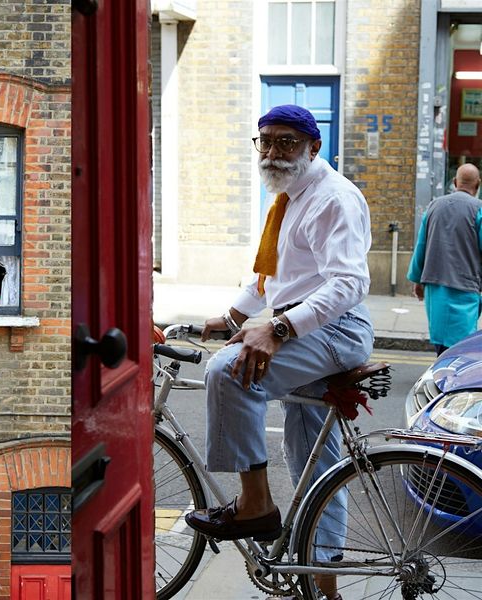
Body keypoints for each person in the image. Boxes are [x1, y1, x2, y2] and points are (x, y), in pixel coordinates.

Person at [183, 105, 373, 600]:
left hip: (335, 330)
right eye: (265, 141)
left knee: (231, 370)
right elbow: (273, 279)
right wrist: (233, 318)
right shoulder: (290, 199)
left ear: (314, 148)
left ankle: (254, 504)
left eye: (287, 142)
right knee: (316, 465)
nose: (272, 151)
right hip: (307, 328)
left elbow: (349, 284)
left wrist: (279, 329)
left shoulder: (333, 199)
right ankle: (323, 589)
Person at [408, 163, 482, 354]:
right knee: (461, 347)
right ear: (478, 184)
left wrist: (417, 280)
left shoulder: (434, 206)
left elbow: (421, 246)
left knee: (441, 344)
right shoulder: (479, 209)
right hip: (465, 288)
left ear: (455, 182)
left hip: (435, 285)